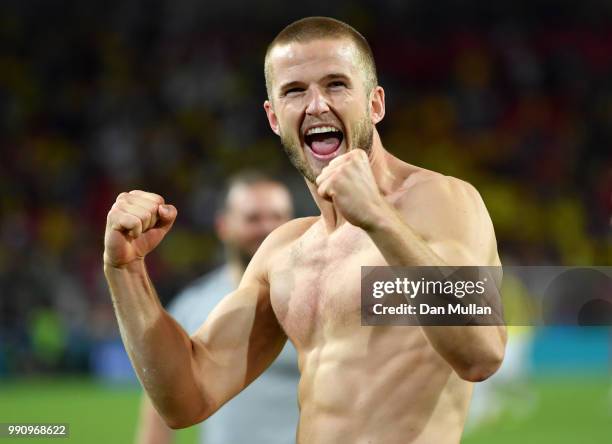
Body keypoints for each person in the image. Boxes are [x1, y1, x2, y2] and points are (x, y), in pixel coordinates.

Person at [104, 17, 506, 443]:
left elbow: (480, 353)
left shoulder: (440, 202)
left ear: (375, 104)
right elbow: (187, 396)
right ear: (274, 117)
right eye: (295, 91)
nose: (316, 105)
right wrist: (125, 270)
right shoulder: (286, 250)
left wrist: (378, 217)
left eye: (336, 84)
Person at [134, 171, 298, 444]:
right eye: (253, 218)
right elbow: (159, 406)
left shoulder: (322, 293)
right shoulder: (192, 305)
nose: (268, 228)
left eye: (278, 217)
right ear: (224, 226)